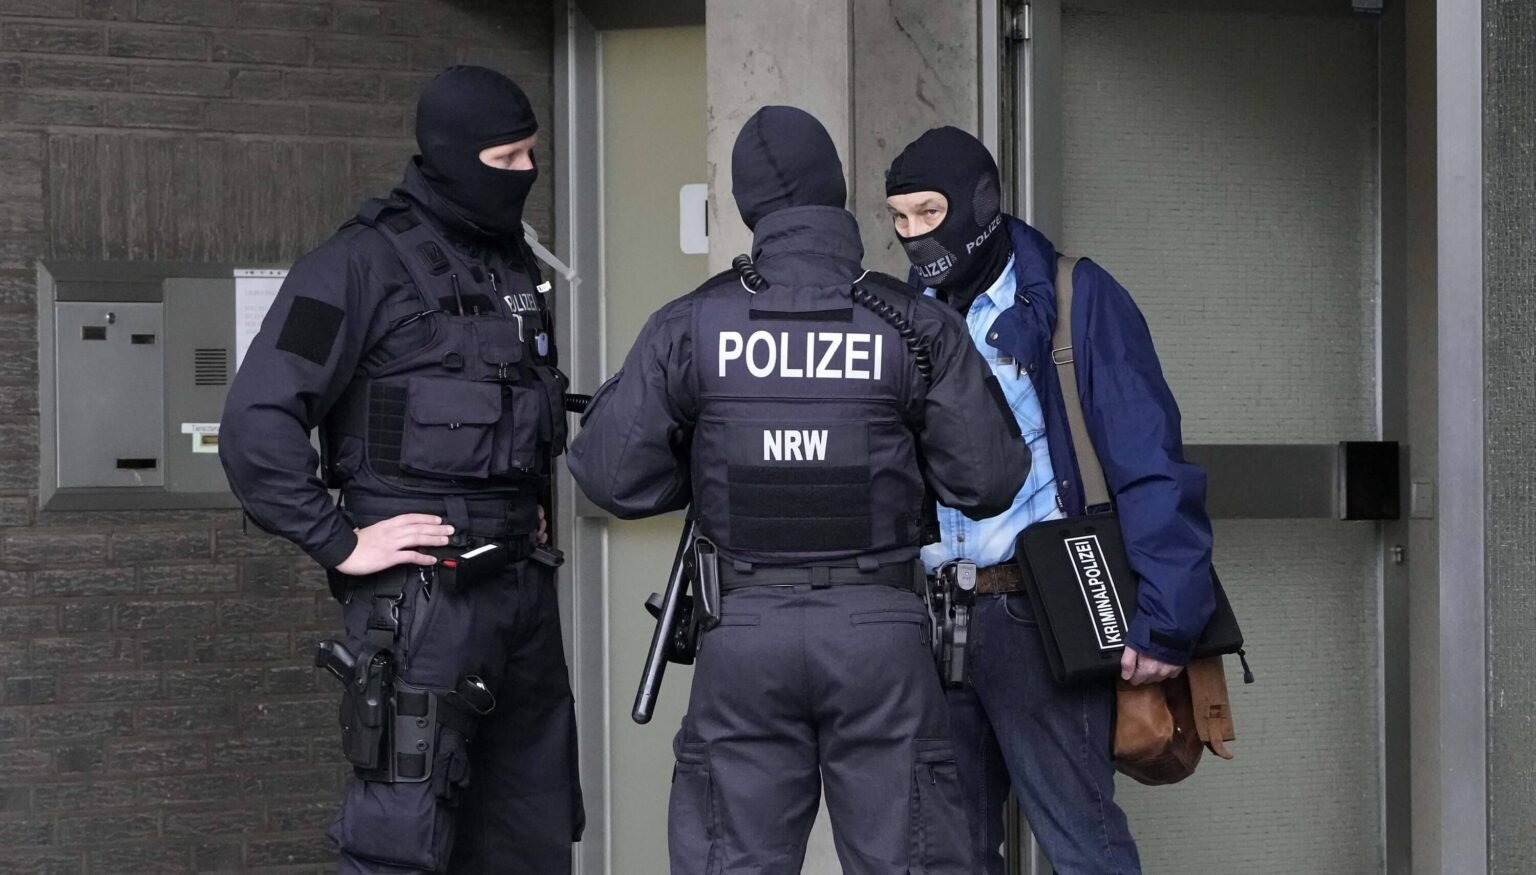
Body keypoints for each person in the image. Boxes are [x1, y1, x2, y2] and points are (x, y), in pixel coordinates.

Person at [568, 106, 1030, 875]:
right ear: (838, 193)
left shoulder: (695, 322)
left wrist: (709, 455)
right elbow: (989, 480)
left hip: (741, 630)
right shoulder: (909, 320)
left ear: (750, 209)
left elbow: (610, 473)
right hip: (880, 632)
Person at [220, 66, 582, 875]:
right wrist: (340, 541)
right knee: (403, 839)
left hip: (519, 588)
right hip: (422, 601)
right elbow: (254, 423)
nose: (526, 174)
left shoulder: (509, 265)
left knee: (529, 833)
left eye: (532, 155)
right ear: (455, 157)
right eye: (507, 158)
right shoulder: (356, 265)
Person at [885, 126, 1215, 875]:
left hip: (1041, 615)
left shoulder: (1076, 296)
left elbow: (1149, 459)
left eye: (928, 213)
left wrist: (1166, 621)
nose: (914, 236)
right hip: (933, 617)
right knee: (944, 853)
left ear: (980, 204)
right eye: (899, 219)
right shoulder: (903, 313)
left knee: (1083, 844)